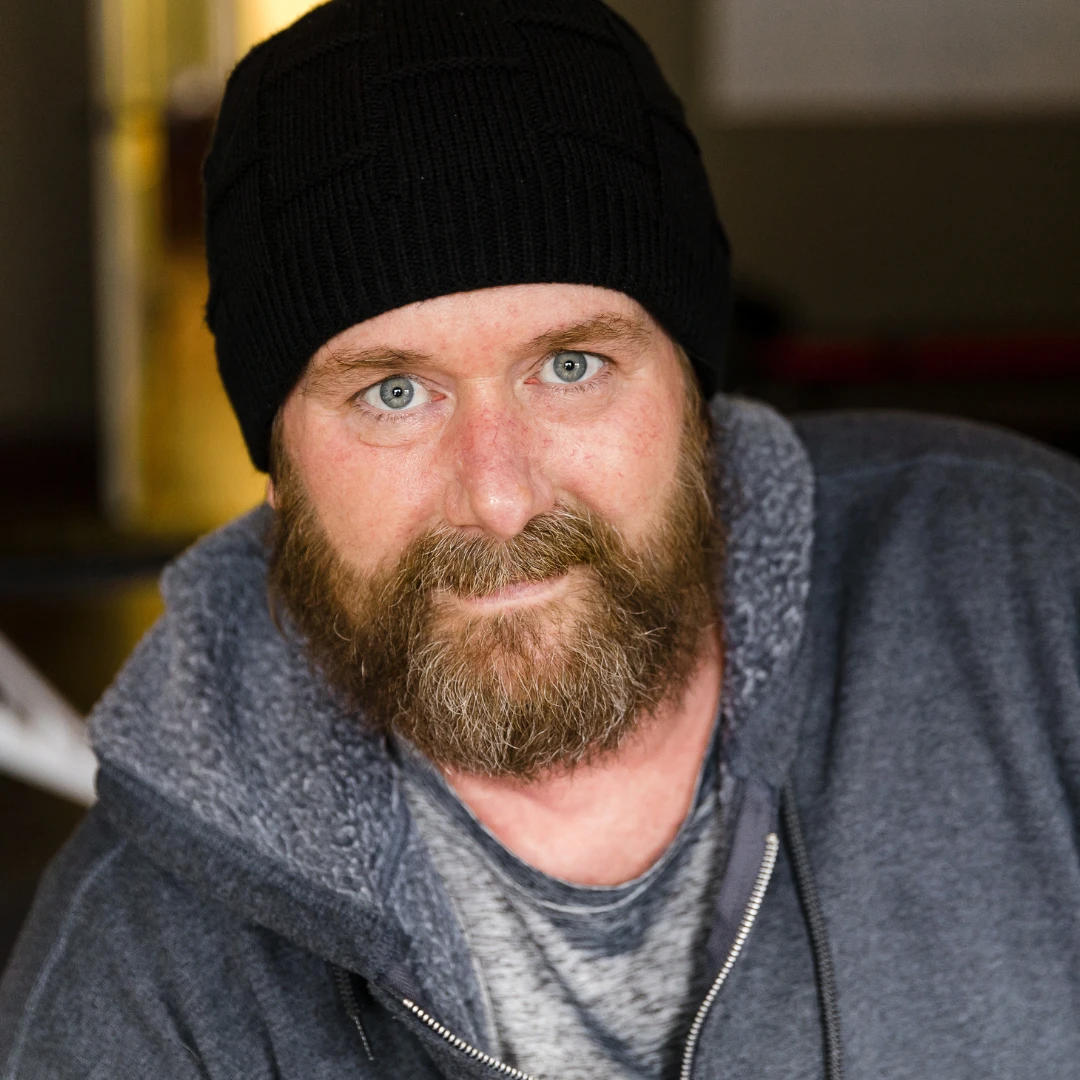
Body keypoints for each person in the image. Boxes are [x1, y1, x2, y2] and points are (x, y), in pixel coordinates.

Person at [2, 0, 1079, 1076]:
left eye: (571, 367)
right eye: (393, 392)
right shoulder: (137, 974)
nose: (500, 497)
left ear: (696, 399)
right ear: (278, 473)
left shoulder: (1038, 608)